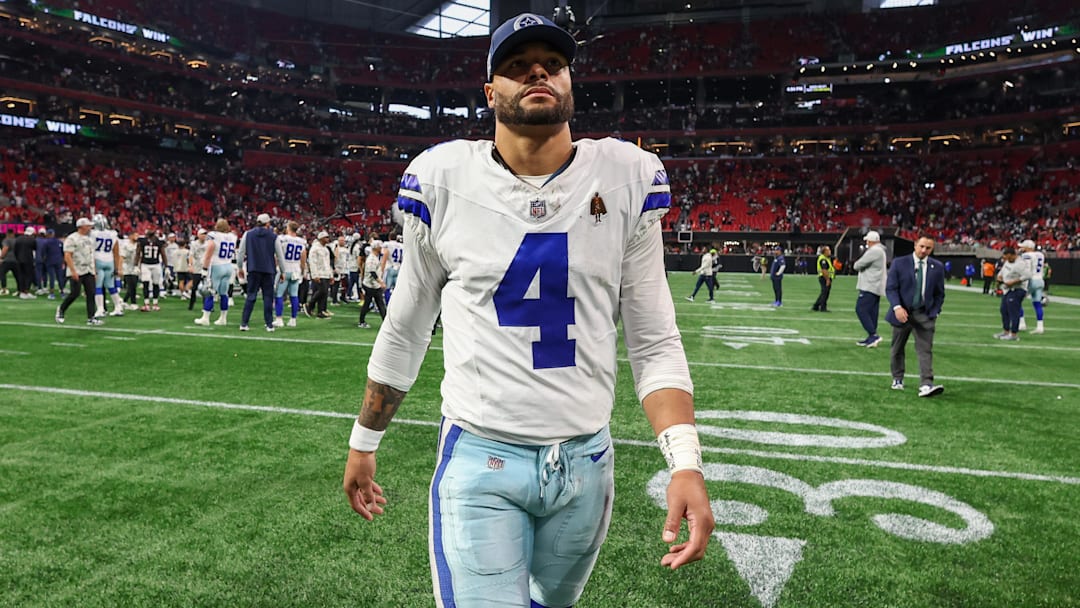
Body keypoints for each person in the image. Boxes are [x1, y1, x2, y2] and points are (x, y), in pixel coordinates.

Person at [341, 14, 713, 607]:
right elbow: (408, 325)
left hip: (588, 463)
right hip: (482, 458)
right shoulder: (443, 179)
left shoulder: (625, 176)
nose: (537, 71)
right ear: (490, 92)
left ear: (570, 83)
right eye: (516, 65)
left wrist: (685, 462)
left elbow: (654, 339)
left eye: (553, 64)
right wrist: (364, 440)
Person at [885, 235, 946, 397]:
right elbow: (891, 288)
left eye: (928, 248)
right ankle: (897, 378)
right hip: (902, 313)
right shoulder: (899, 263)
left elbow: (940, 293)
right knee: (897, 348)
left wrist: (935, 311)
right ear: (915, 245)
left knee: (925, 350)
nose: (924, 250)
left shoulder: (937, 267)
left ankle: (926, 384)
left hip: (924, 314)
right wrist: (897, 307)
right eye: (922, 246)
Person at [237, 213, 282, 332]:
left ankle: (244, 323)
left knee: (251, 296)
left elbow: (241, 252)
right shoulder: (274, 236)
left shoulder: (248, 234)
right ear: (267, 223)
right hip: (269, 270)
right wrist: (282, 271)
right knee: (268, 297)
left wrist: (240, 267)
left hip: (253, 269)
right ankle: (269, 324)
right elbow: (279, 255)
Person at [55, 218, 100, 325]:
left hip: (88, 269)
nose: (90, 227)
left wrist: (94, 270)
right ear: (81, 226)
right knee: (75, 293)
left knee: (91, 293)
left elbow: (91, 255)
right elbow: (67, 255)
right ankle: (61, 309)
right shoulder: (72, 238)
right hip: (77, 268)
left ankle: (91, 317)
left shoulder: (89, 239)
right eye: (88, 226)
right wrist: (73, 270)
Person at [195, 219, 238, 326]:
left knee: (210, 291)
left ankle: (205, 318)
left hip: (216, 266)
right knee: (224, 293)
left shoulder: (213, 235)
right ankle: (223, 318)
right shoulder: (233, 236)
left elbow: (210, 251)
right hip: (228, 266)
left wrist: (204, 269)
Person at [853, 231, 886, 347]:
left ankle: (873, 335)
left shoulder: (874, 251)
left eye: (867, 241)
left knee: (860, 309)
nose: (866, 242)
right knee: (872, 312)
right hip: (875, 285)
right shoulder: (880, 250)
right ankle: (872, 337)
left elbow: (857, 265)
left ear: (871, 241)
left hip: (870, 285)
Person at [90, 214, 125, 317]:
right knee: (111, 286)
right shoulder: (112, 234)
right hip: (109, 261)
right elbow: (116, 251)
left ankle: (100, 309)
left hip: (98, 260)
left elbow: (90, 250)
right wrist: (117, 267)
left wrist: (92, 266)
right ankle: (118, 307)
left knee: (98, 286)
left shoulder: (92, 234)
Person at [273, 221, 307, 328]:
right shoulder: (302, 241)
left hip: (284, 269)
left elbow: (277, 255)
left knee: (279, 294)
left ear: (288, 228)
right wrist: (302, 271)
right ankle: (293, 319)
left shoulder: (282, 238)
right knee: (294, 295)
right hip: (296, 270)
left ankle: (279, 319)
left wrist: (277, 268)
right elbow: (303, 258)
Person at [994, 247, 1030, 341]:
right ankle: (1006, 331)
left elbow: (1027, 275)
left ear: (1011, 254)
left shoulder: (1020, 263)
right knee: (1004, 310)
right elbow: (1002, 271)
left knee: (1013, 312)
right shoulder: (1008, 261)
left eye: (1006, 255)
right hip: (1008, 289)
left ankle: (1014, 334)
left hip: (1017, 289)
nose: (1004, 257)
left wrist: (1014, 282)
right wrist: (999, 278)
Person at [356, 240, 386, 329]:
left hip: (374, 285)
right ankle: (361, 321)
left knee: (379, 304)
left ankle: (385, 322)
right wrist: (381, 282)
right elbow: (372, 272)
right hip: (370, 285)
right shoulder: (372, 259)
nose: (381, 248)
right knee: (371, 304)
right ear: (376, 248)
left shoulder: (374, 257)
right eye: (380, 247)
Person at [1017, 239, 1045, 334]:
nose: (1021, 248)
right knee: (1037, 304)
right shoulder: (1040, 255)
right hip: (1040, 280)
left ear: (1028, 247)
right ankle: (1040, 326)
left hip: (1031, 280)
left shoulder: (1027, 255)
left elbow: (1027, 269)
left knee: (1017, 300)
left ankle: (1022, 323)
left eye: (1023, 247)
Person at [135, 229, 167, 311]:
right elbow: (138, 252)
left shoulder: (145, 241)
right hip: (147, 264)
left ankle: (150, 304)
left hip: (153, 264)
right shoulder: (157, 242)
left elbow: (138, 253)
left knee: (152, 283)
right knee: (149, 283)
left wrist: (136, 265)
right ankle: (151, 304)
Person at [305, 230, 332, 319]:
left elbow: (328, 263)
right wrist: (315, 275)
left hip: (326, 273)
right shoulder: (315, 248)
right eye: (326, 237)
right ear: (321, 239)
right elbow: (312, 262)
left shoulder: (326, 249)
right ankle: (309, 305)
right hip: (319, 274)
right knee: (322, 291)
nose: (328, 239)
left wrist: (330, 275)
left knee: (324, 294)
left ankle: (321, 311)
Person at [13, 226, 37, 299]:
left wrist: (17, 258)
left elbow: (15, 250)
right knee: (28, 276)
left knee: (21, 276)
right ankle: (26, 291)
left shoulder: (18, 239)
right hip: (28, 260)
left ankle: (21, 291)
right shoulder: (32, 240)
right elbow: (35, 249)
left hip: (19, 260)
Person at [187, 229, 208, 310]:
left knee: (206, 287)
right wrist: (190, 265)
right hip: (197, 267)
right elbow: (191, 255)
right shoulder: (194, 244)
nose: (204, 236)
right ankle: (191, 304)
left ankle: (206, 305)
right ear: (198, 235)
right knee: (194, 287)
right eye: (202, 234)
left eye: (205, 234)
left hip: (206, 268)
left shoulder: (208, 244)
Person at [119, 232, 140, 310]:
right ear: (130, 236)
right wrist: (120, 268)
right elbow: (122, 257)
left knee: (133, 285)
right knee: (131, 285)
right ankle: (133, 303)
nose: (137, 237)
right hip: (127, 267)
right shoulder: (125, 245)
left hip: (135, 267)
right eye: (135, 235)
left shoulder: (138, 245)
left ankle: (124, 301)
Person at [811, 245, 834, 312]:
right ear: (825, 252)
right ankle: (823, 307)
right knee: (825, 293)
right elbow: (824, 270)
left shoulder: (826, 258)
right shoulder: (823, 259)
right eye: (828, 250)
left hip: (825, 277)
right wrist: (827, 279)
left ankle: (816, 306)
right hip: (824, 277)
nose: (830, 251)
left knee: (824, 292)